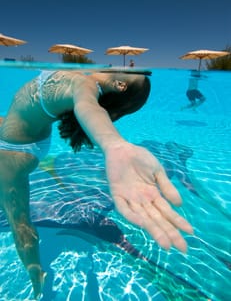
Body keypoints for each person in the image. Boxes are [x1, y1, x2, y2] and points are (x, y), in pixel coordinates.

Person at [0, 69, 193, 299]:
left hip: (15, 152)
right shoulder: (85, 76)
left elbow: (88, 108)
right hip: (19, 132)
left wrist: (114, 145)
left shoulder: (85, 86)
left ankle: (36, 277)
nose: (127, 62)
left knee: (18, 220)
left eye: (132, 68)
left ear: (121, 84)